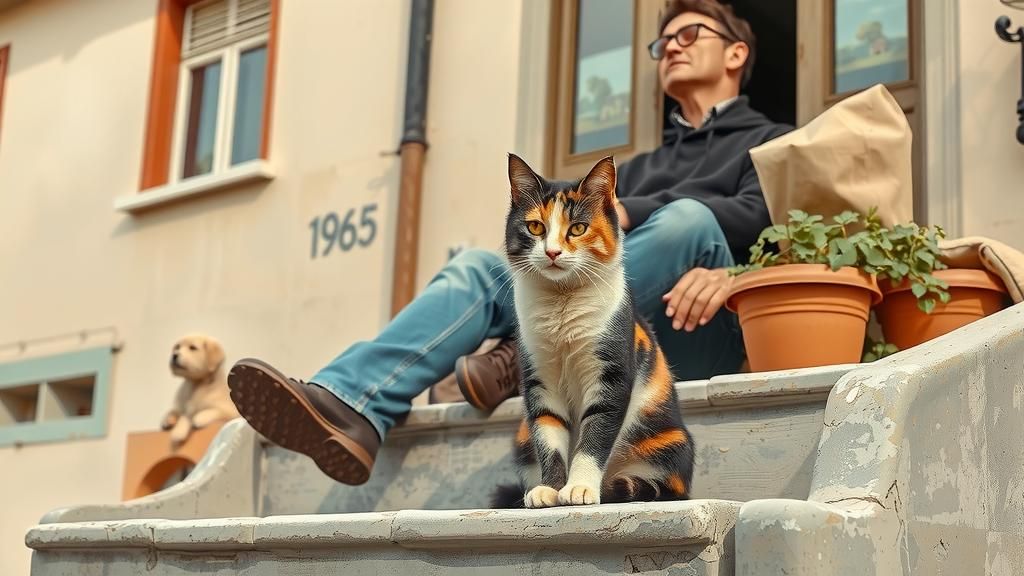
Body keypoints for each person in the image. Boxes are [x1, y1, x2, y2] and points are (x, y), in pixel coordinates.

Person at [227, 0, 793, 486]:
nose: (670, 47)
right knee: (476, 266)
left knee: (686, 222)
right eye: (662, 41)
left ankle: (513, 355)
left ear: (736, 53)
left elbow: (758, 221)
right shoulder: (642, 164)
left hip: (687, 333)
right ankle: (353, 402)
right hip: (587, 335)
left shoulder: (769, 143)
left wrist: (721, 268)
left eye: (687, 35)